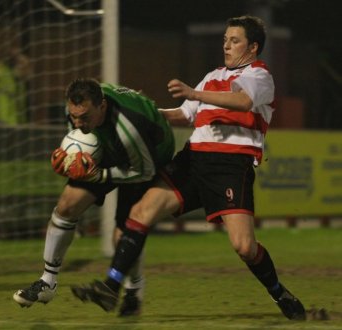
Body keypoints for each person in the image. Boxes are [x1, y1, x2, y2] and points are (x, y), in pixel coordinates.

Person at [70, 15, 306, 321]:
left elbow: (243, 101)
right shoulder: (212, 76)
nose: (226, 45)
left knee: (244, 247)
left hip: (230, 165)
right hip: (193, 159)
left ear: (253, 46)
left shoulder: (260, 76)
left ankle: (279, 293)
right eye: (225, 39)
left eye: (234, 40)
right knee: (142, 212)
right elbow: (185, 114)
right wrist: (145, 112)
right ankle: (111, 286)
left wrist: (194, 93)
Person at [12, 78, 175, 316]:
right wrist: (70, 160)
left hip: (147, 158)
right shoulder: (80, 114)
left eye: (84, 117)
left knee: (124, 232)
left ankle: (133, 289)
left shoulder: (129, 127)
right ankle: (47, 282)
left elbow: (144, 171)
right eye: (74, 116)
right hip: (108, 150)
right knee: (67, 206)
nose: (78, 123)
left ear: (102, 106)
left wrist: (99, 175)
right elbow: (79, 137)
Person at [0, 48, 31, 124]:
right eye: (23, 66)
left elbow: (20, 107)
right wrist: (1, 121)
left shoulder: (18, 81)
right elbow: (0, 100)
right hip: (5, 126)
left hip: (14, 125)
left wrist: (24, 125)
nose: (27, 70)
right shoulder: (1, 77)